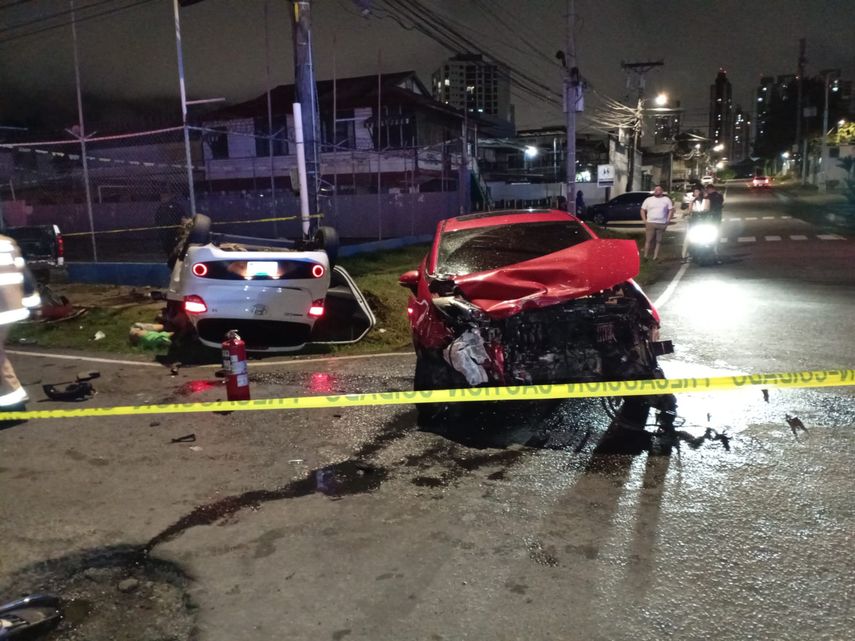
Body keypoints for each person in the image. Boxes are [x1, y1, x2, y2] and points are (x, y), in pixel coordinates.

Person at [0, 235, 33, 416]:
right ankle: (14, 396)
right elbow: (25, 275)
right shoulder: (6, 242)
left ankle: (12, 400)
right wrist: (30, 301)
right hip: (12, 307)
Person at [640, 184, 674, 261]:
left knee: (658, 240)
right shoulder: (648, 200)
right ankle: (645, 256)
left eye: (658, 190)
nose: (656, 191)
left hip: (661, 223)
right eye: (655, 190)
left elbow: (670, 210)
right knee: (648, 240)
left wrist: (668, 220)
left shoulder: (666, 200)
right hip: (650, 222)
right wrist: (644, 220)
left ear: (662, 191)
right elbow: (642, 210)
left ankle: (655, 256)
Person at [682, 186, 709, 262]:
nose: (696, 193)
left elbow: (707, 209)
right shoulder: (692, 201)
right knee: (688, 239)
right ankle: (684, 256)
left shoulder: (706, 200)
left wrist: (703, 211)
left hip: (704, 223)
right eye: (695, 192)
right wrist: (686, 214)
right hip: (694, 222)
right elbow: (689, 211)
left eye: (698, 191)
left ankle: (713, 253)